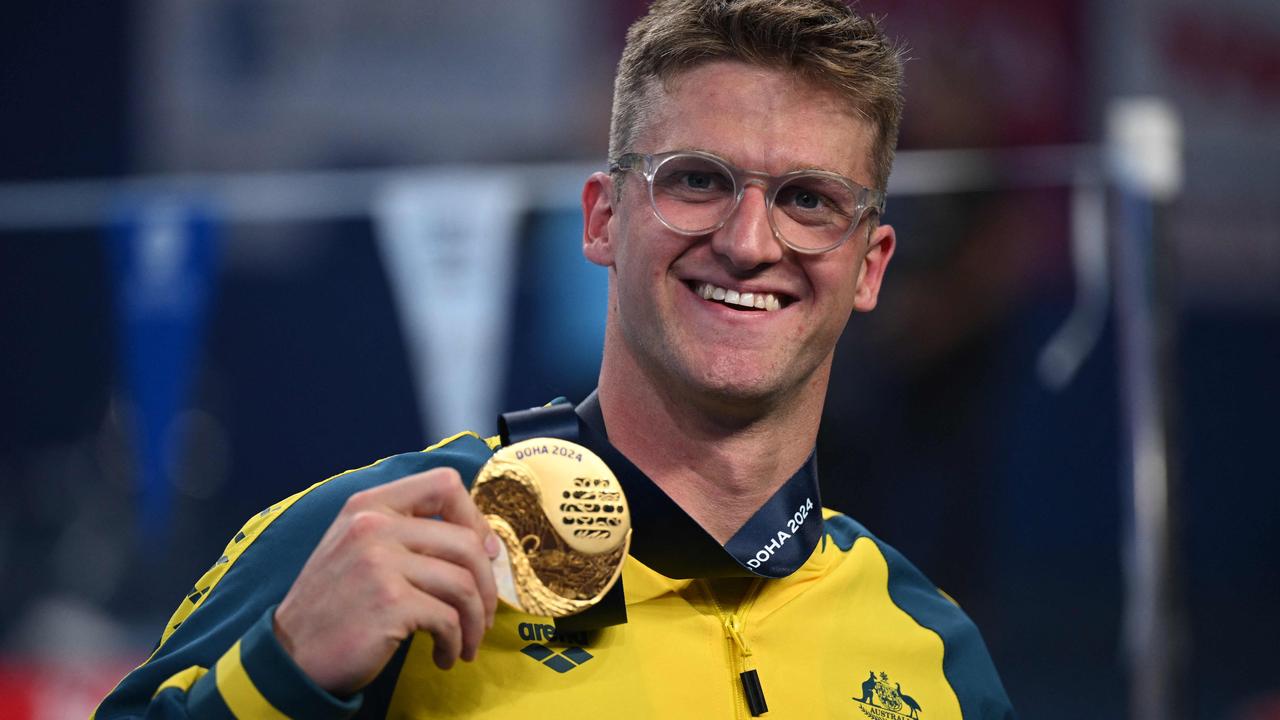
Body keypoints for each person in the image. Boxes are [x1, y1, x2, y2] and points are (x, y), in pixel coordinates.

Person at [96, 0, 1014, 717]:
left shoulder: (930, 648)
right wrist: (282, 675)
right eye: (697, 181)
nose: (747, 242)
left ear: (869, 265)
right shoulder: (384, 539)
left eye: (809, 200)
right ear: (603, 218)